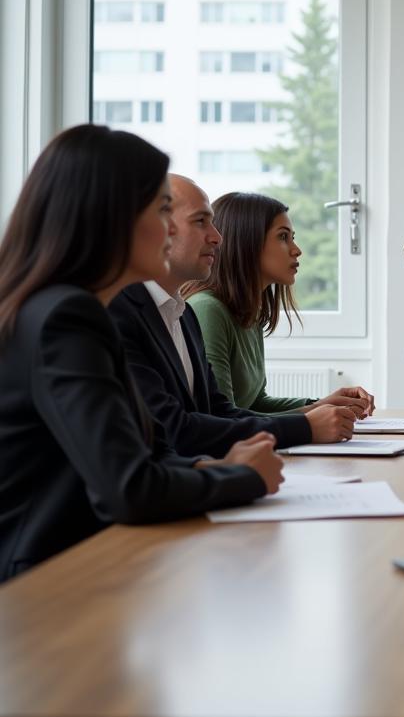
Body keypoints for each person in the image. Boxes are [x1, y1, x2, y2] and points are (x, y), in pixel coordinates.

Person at [0, 125, 281, 583]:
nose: (172, 228)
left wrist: (216, 466)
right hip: (46, 586)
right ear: (110, 216)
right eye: (162, 209)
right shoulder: (66, 318)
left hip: (91, 562)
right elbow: (129, 489)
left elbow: (148, 455)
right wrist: (244, 478)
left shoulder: (77, 309)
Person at [110, 175, 362, 457]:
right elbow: (180, 430)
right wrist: (305, 425)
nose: (217, 237)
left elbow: (224, 410)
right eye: (200, 221)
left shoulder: (183, 315)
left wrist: (315, 410)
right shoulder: (189, 310)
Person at [184, 192, 374, 417]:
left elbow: (255, 403)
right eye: (283, 237)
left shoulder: (247, 312)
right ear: (247, 242)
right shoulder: (207, 310)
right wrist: (310, 418)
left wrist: (321, 404)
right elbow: (222, 419)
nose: (296, 249)